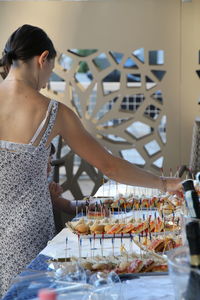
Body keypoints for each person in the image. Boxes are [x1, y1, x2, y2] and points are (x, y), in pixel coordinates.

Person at [0, 24, 181, 297]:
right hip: (26, 238)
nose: (48, 79)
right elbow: (110, 166)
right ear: (42, 59)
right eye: (51, 68)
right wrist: (164, 184)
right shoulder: (51, 112)